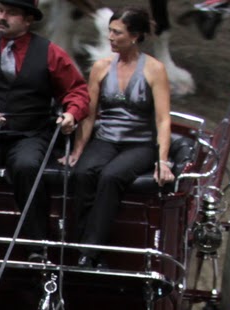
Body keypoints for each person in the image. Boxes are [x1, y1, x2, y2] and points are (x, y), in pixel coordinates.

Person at [0, 0, 91, 259]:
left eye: (11, 13)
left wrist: (71, 113)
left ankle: (37, 246)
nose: (2, 17)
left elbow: (77, 91)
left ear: (28, 20)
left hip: (30, 133)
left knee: (27, 167)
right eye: (0, 11)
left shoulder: (50, 53)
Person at [62, 6, 175, 267]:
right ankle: (77, 244)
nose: (110, 37)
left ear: (134, 36)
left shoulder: (154, 70)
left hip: (139, 144)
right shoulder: (101, 67)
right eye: (110, 31)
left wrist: (162, 159)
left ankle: (90, 252)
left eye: (117, 32)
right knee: (82, 173)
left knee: (111, 177)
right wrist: (79, 149)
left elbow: (163, 119)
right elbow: (89, 114)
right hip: (106, 139)